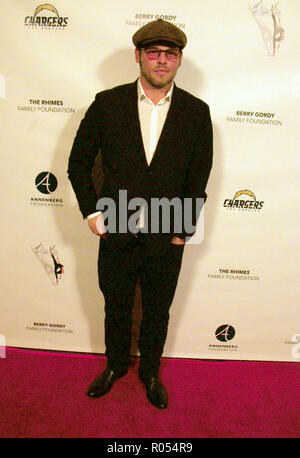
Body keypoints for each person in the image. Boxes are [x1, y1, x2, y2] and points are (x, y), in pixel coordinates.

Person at [68, 19, 213, 409]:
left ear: (179, 60)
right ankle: (115, 366)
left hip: (168, 232)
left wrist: (182, 231)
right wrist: (91, 214)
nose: (161, 61)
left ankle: (150, 371)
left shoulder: (197, 113)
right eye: (153, 53)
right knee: (114, 304)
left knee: (157, 310)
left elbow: (198, 177)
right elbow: (78, 164)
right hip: (116, 226)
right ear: (138, 56)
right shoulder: (107, 103)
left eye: (170, 54)